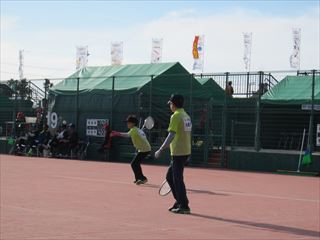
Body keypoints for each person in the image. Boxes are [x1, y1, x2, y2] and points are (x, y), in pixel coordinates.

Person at [155, 94, 192, 214]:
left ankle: (184, 205)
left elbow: (171, 135)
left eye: (170, 103)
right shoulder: (186, 115)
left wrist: (160, 149)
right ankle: (179, 201)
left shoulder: (175, 116)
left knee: (177, 179)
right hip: (185, 151)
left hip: (178, 152)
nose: (170, 106)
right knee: (170, 177)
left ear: (173, 104)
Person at [111, 115, 151, 185]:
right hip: (144, 149)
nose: (127, 124)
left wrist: (117, 133)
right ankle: (138, 178)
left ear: (133, 123)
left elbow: (127, 135)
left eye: (129, 122)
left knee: (134, 164)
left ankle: (143, 178)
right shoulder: (137, 130)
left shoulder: (134, 130)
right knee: (136, 164)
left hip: (144, 150)